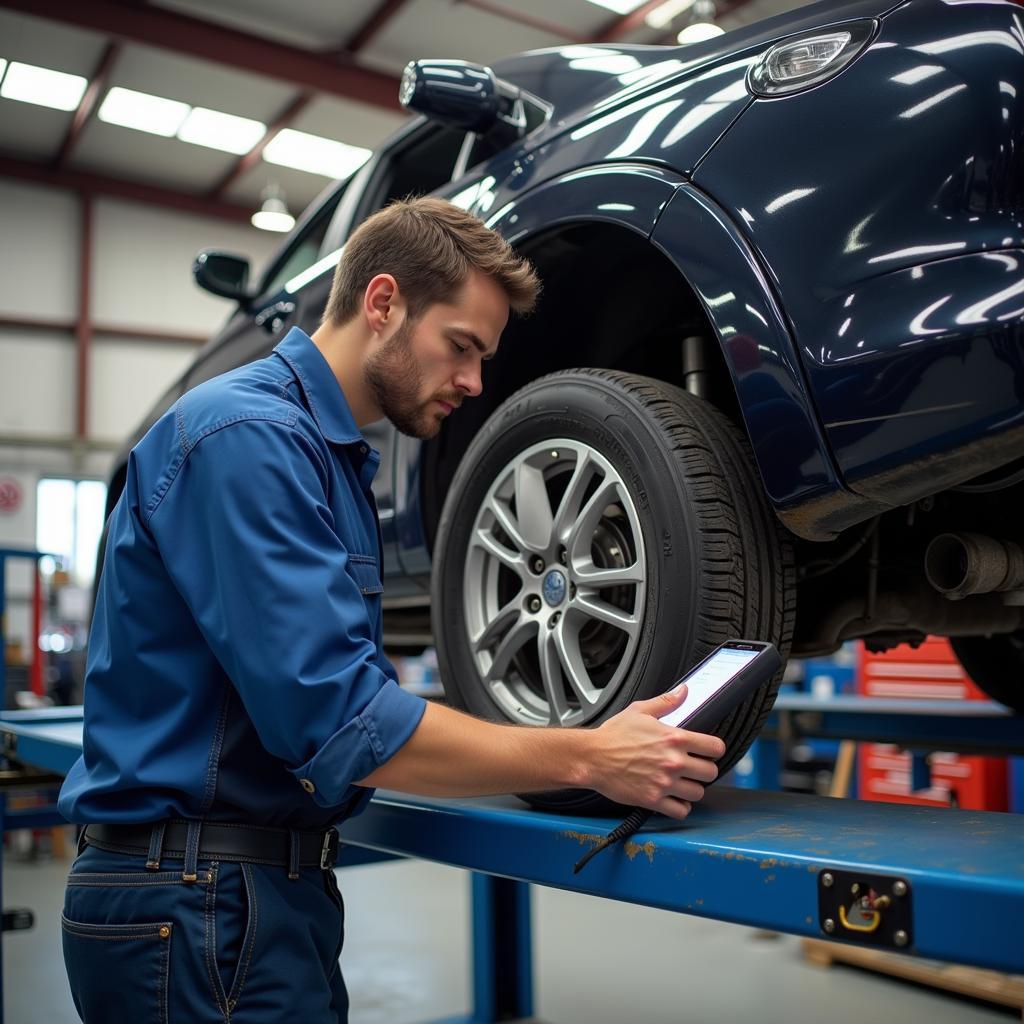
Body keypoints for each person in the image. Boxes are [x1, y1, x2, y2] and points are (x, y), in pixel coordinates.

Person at [57, 197, 726, 1023]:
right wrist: (586, 757)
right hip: (197, 904)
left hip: (243, 894)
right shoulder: (245, 437)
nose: (477, 383)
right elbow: (340, 724)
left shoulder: (323, 453)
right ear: (382, 304)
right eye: (462, 346)